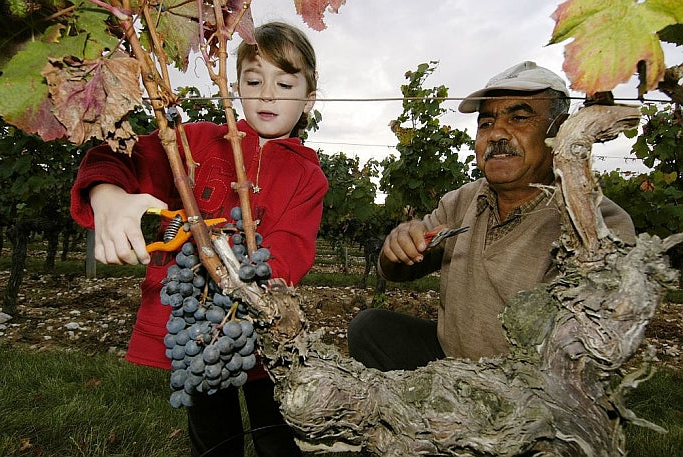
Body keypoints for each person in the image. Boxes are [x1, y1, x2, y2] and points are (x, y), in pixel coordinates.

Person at [70, 22, 327, 457]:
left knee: (277, 436)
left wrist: (248, 288)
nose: (267, 94)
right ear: (234, 86)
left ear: (309, 98)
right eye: (253, 80)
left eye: (284, 82)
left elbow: (289, 250)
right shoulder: (193, 143)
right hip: (197, 337)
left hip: (265, 335)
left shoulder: (309, 177)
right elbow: (117, 158)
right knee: (214, 438)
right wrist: (107, 194)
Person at [347, 61, 637, 371]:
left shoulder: (597, 223)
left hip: (531, 383)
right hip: (453, 360)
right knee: (370, 327)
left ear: (559, 130)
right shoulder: (461, 201)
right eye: (486, 123)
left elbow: (596, 345)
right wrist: (397, 247)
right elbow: (394, 271)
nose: (497, 134)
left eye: (519, 118)